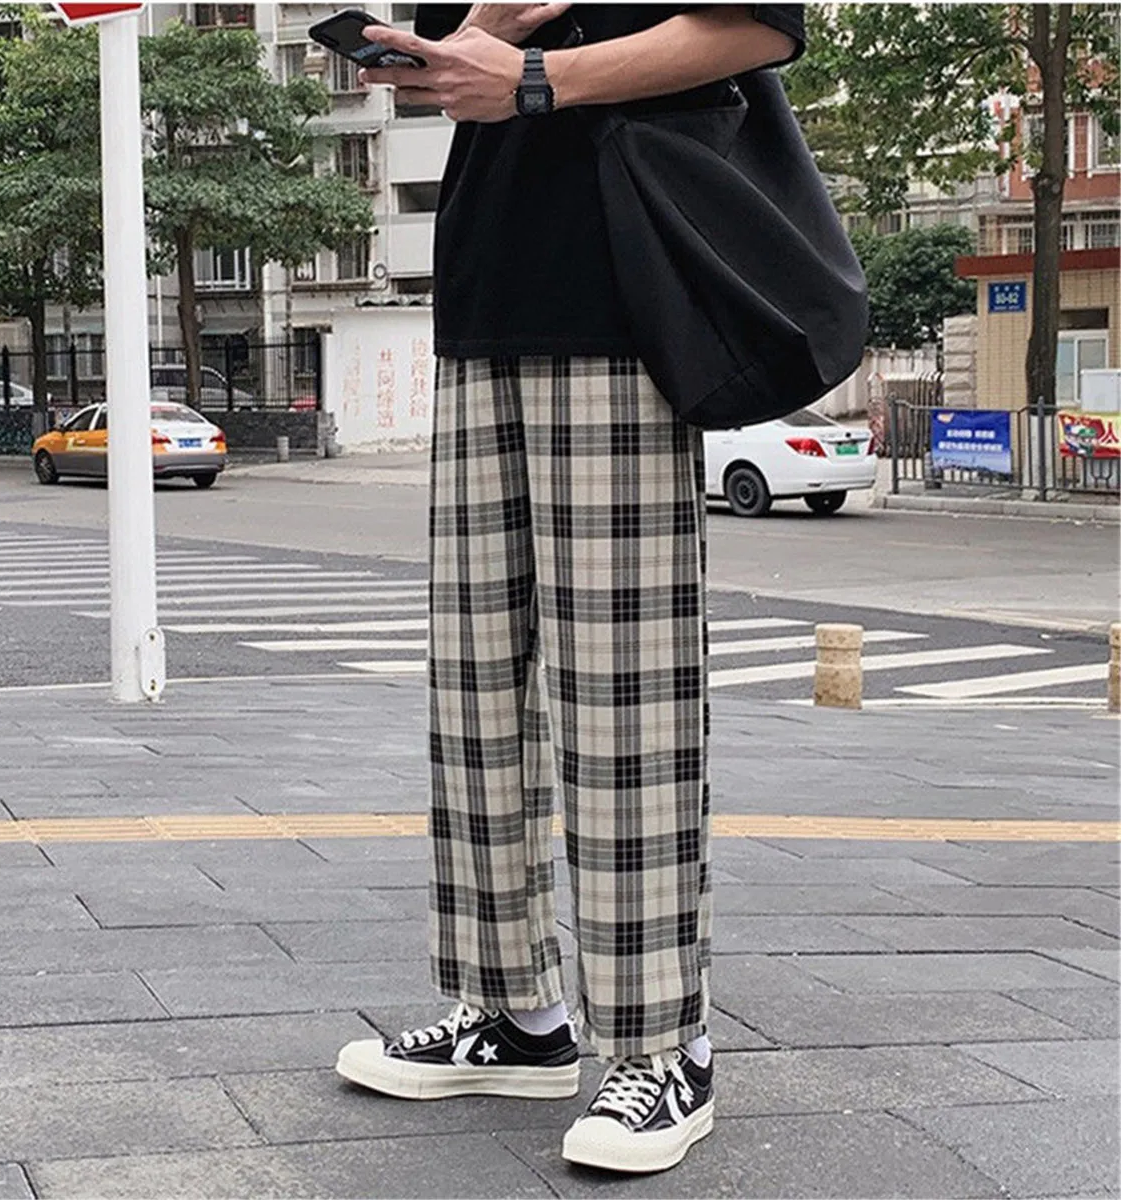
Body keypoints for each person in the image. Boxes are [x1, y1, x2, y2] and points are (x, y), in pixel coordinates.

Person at [335, 3, 805, 1175]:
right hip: (479, 300)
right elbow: (470, 71)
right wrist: (465, 44)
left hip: (620, 301)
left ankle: (665, 1047)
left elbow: (758, 28)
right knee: (474, 698)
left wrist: (539, 78)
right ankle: (513, 1013)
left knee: (622, 706)